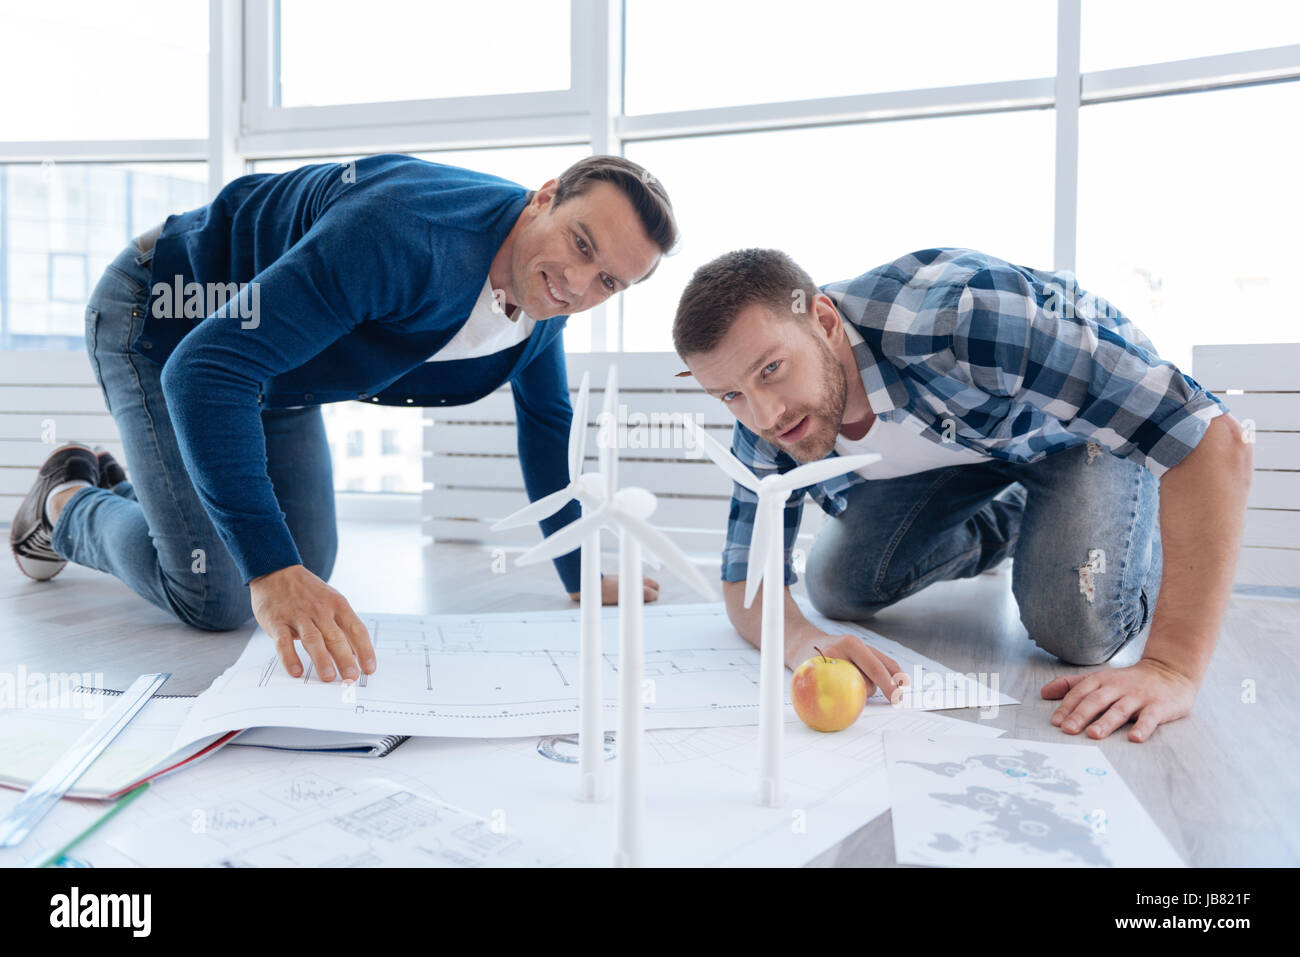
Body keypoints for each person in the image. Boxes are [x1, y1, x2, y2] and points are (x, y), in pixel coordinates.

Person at [10, 153, 673, 683]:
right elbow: (205, 369)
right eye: (582, 244)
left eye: (608, 282)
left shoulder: (542, 293)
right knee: (220, 591)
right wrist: (269, 575)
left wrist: (580, 572)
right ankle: (64, 502)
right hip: (165, 320)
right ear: (545, 196)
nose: (578, 285)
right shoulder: (406, 233)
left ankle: (156, 491)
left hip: (270, 373)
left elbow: (547, 423)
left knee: (309, 560)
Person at [671, 246, 1252, 743]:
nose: (765, 414)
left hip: (1076, 437)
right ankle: (1024, 523)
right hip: (965, 454)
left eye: (772, 368)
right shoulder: (762, 412)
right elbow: (749, 576)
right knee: (838, 586)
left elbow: (1210, 439)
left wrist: (1172, 668)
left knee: (1077, 629)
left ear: (822, 320)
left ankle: (1123, 519)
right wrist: (806, 643)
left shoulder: (963, 317)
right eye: (730, 395)